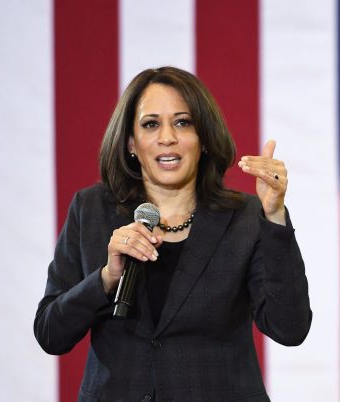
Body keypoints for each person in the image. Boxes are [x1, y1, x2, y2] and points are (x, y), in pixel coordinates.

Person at [33, 66, 312, 401]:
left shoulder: (245, 216)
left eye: (183, 122)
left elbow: (290, 329)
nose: (167, 137)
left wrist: (275, 215)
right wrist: (106, 278)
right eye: (151, 124)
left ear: (204, 139)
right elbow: (51, 334)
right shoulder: (90, 209)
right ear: (131, 143)